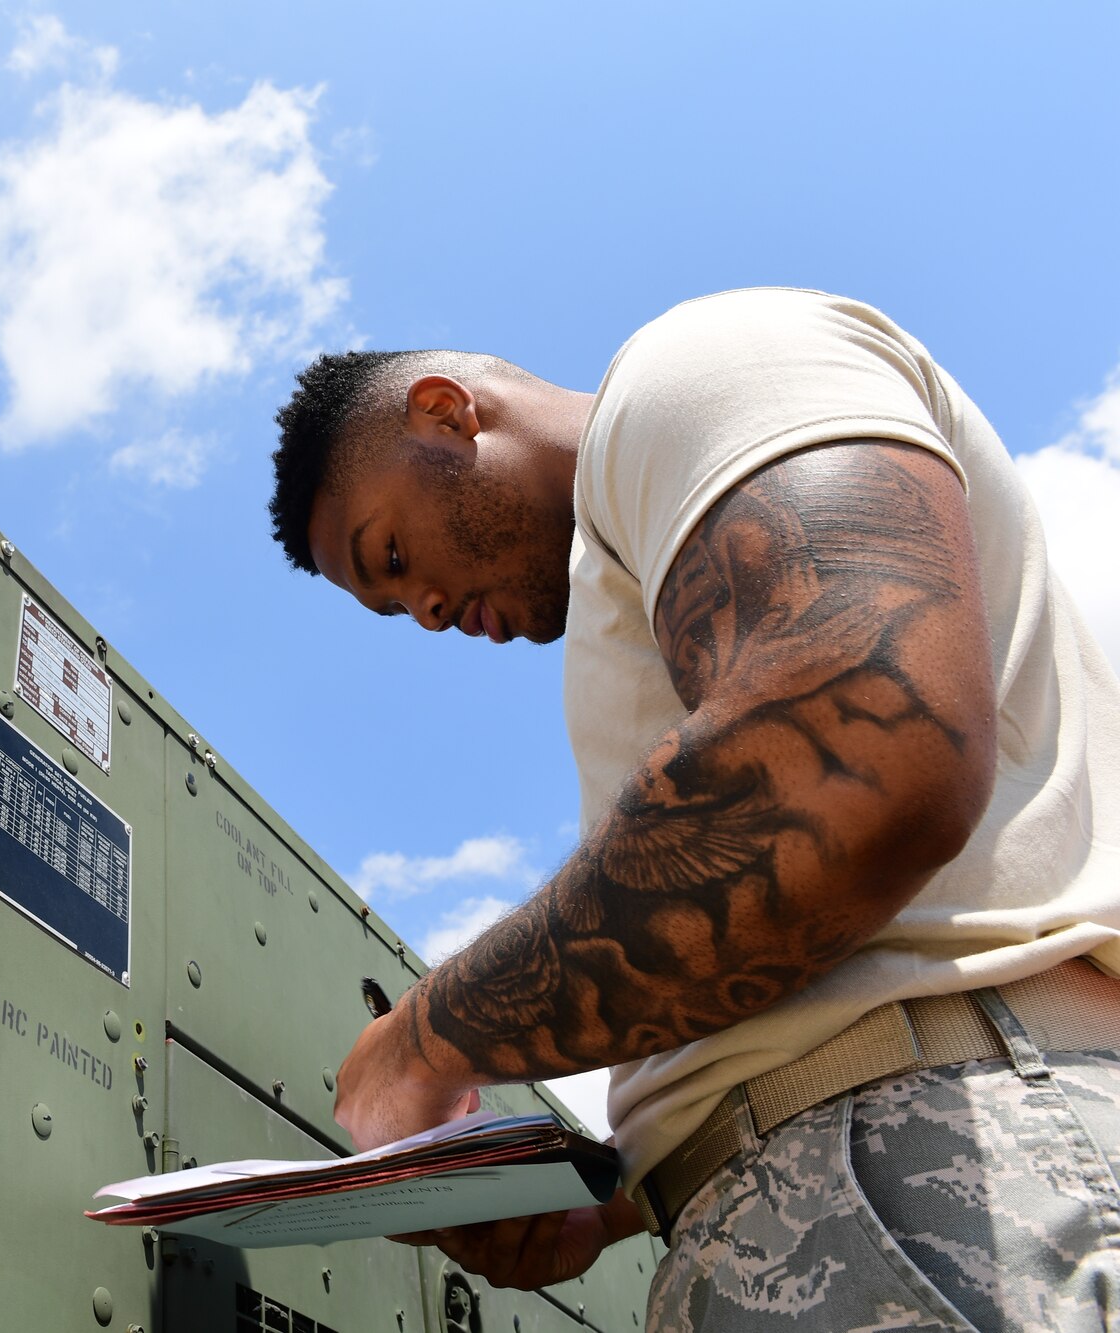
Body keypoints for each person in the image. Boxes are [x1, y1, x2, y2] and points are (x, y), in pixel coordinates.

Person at [266, 288, 1120, 1330]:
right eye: (396, 611)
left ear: (446, 410)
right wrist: (625, 1194)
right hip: (857, 1184)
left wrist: (425, 1039)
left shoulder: (698, 365)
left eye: (391, 556)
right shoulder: (636, 575)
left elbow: (856, 756)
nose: (428, 611)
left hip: (932, 1152)